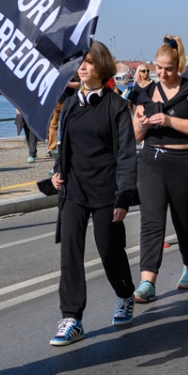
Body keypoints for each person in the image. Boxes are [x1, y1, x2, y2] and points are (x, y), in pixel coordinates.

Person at [49, 41, 137, 346]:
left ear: (101, 66)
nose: (82, 67)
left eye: (87, 62)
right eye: (79, 63)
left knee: (108, 249)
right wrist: (57, 172)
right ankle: (72, 317)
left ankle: (125, 294)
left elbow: (126, 154)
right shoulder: (71, 105)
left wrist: (124, 196)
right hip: (74, 190)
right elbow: (64, 146)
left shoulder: (116, 106)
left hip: (106, 192)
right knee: (69, 252)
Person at [132, 35, 188, 302]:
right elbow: (135, 135)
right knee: (151, 221)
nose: (162, 73)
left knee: (184, 220)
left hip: (184, 162)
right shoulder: (146, 93)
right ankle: (147, 281)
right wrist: (142, 123)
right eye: (158, 67)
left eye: (168, 68)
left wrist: (169, 120)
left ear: (178, 65)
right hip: (151, 162)